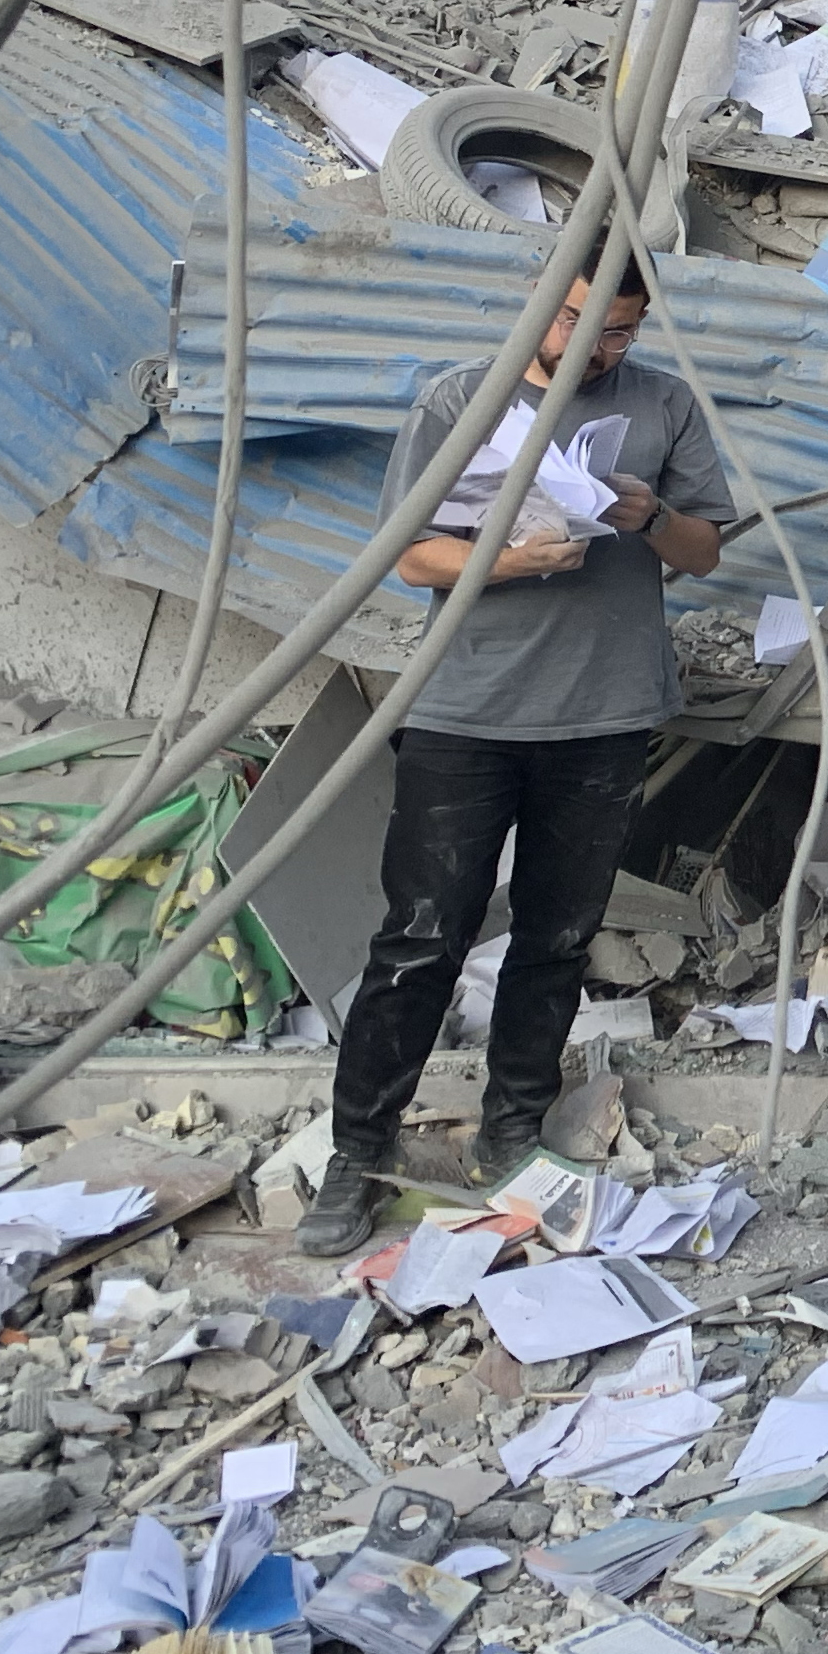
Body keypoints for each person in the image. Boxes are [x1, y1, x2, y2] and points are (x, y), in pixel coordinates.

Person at [297, 269, 733, 1256]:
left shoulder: (662, 403)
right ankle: (355, 1154)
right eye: (579, 323)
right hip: (467, 713)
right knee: (419, 937)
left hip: (602, 717)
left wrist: (647, 518)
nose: (595, 349)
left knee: (555, 935)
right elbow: (410, 555)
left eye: (616, 333)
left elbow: (704, 550)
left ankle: (511, 1133)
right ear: (545, 304)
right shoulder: (464, 398)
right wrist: (508, 558)